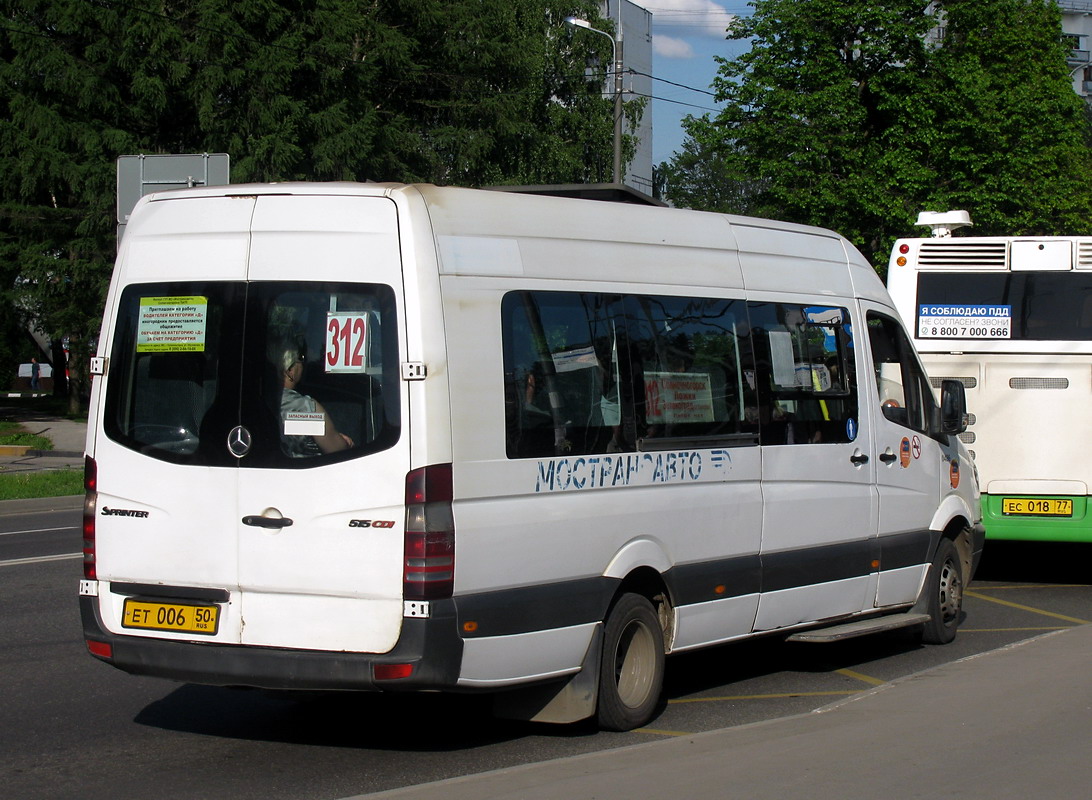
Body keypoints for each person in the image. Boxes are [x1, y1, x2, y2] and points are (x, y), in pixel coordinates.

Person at [277, 345, 353, 456]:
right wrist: (345, 442)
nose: (303, 364)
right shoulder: (305, 408)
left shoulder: (259, 400)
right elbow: (336, 449)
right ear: (290, 371)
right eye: (301, 359)